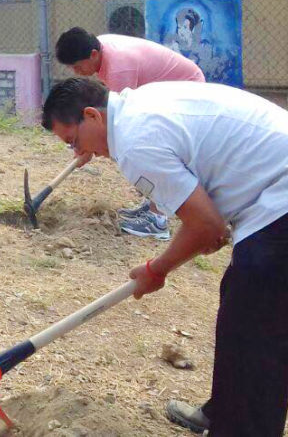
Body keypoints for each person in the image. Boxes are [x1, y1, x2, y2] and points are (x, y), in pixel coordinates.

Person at [41, 77, 288, 437]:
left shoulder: (134, 143)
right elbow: (207, 220)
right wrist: (207, 228)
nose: (80, 154)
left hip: (280, 201)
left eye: (74, 141)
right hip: (272, 192)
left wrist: (156, 269)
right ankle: (223, 412)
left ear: (92, 115)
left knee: (255, 324)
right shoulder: (140, 106)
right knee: (243, 302)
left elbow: (205, 225)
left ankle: (240, 425)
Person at [55, 27, 205, 239]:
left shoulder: (118, 68)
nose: (76, 72)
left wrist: (87, 147)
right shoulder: (101, 47)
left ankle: (158, 219)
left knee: (147, 146)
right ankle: (154, 204)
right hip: (167, 88)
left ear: (93, 55)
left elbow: (114, 123)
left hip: (188, 89)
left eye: (78, 67)